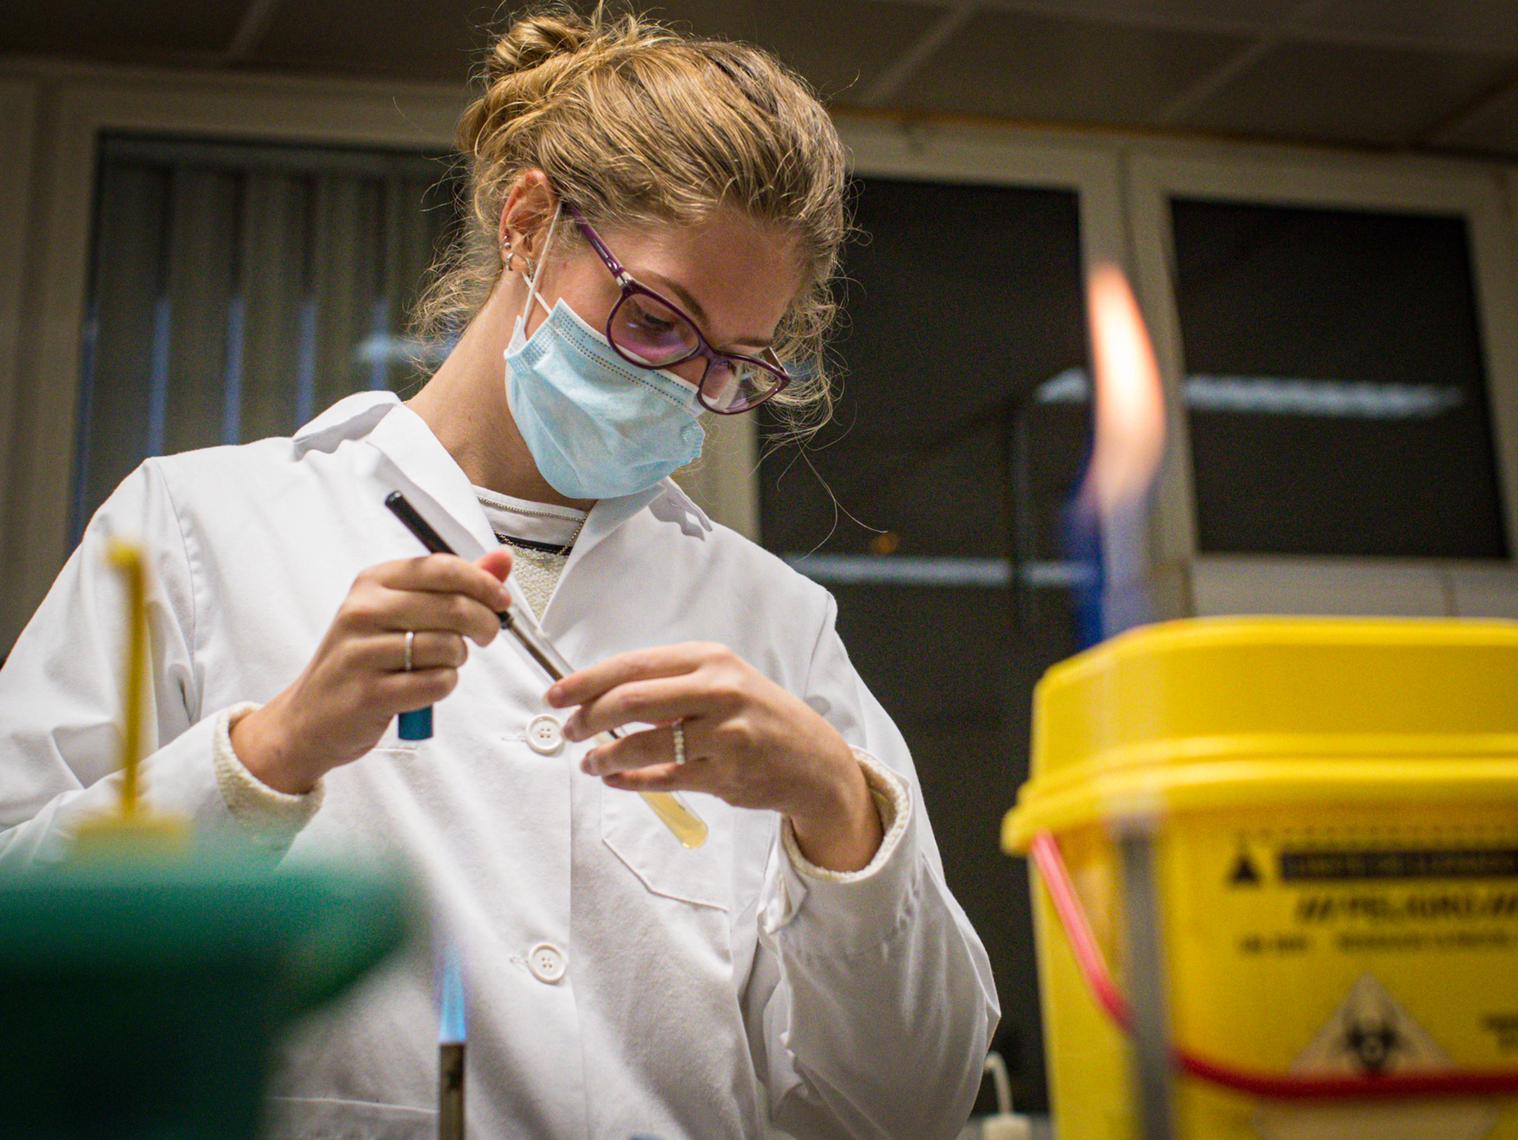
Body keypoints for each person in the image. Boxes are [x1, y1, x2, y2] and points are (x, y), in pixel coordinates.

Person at [0, 5, 999, 1136]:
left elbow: (911, 1104)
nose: (682, 390)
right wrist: (264, 756)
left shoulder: (773, 623)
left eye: (730, 364)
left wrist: (838, 811)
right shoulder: (198, 528)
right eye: (656, 323)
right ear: (529, 223)